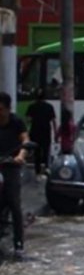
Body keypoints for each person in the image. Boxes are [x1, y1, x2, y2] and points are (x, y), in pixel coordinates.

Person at [0, 92, 29, 260]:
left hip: (10, 166)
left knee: (14, 204)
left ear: (8, 109)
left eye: (1, 109)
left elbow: (25, 141)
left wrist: (21, 156)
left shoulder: (16, 122)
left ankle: (19, 244)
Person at [25, 89, 56, 175]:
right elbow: (53, 121)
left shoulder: (32, 106)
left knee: (37, 152)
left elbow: (28, 120)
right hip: (46, 132)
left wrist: (27, 132)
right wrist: (56, 133)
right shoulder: (49, 107)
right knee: (46, 150)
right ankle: (46, 167)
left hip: (35, 132)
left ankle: (37, 170)